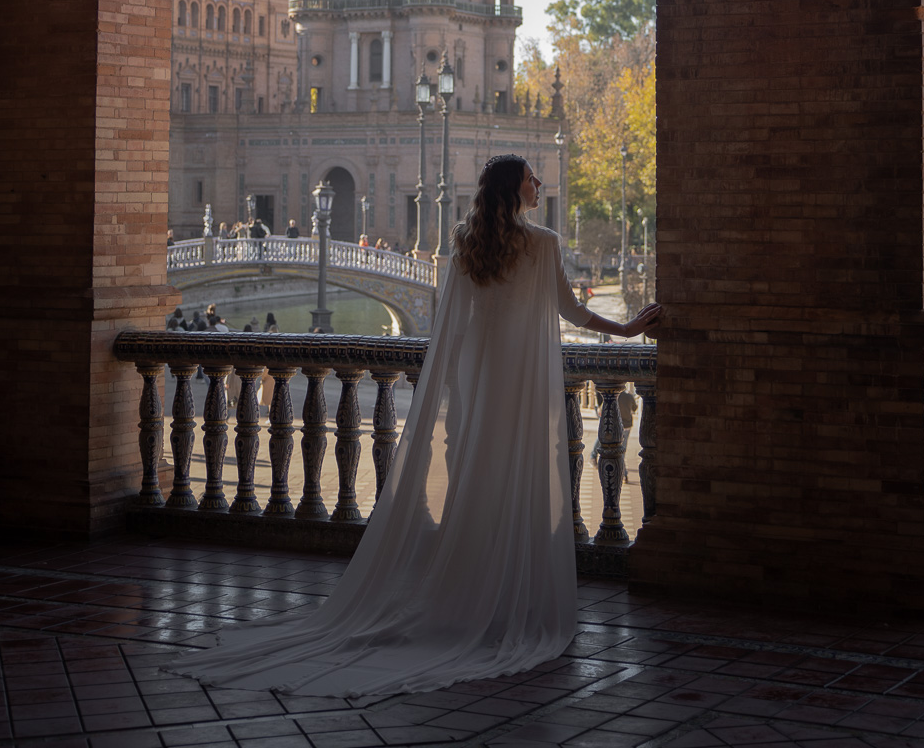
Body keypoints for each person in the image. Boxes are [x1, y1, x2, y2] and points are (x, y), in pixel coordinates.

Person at [167, 153, 660, 699]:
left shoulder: (466, 240)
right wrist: (629, 327)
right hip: (522, 382)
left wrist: (449, 388)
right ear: (513, 187)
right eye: (531, 178)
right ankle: (505, 601)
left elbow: (455, 323)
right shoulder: (542, 243)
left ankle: (470, 595)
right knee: (518, 482)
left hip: (478, 382)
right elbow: (572, 311)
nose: (539, 184)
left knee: (476, 481)